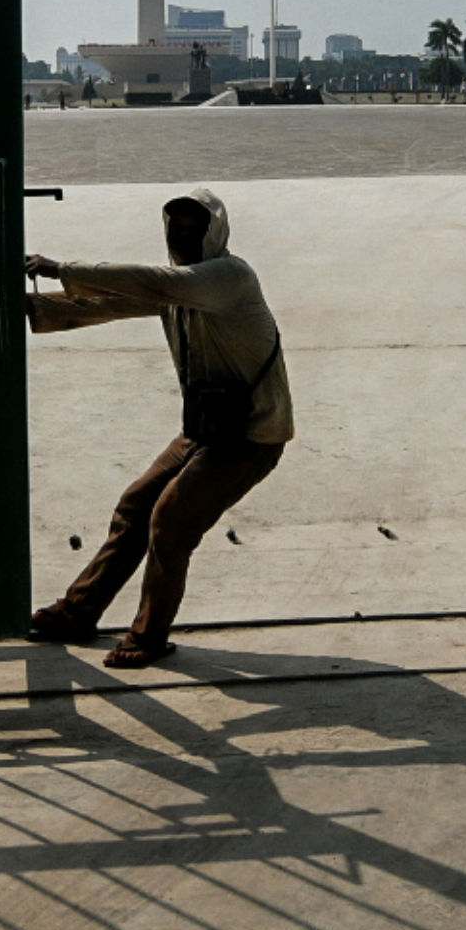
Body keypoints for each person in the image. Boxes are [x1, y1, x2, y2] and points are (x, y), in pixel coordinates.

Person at [20, 187, 293, 668]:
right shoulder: (176, 288)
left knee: (169, 521)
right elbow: (111, 303)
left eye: (196, 226)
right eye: (176, 225)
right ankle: (79, 611)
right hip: (207, 427)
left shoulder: (229, 276)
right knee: (135, 505)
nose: (184, 234)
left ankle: (148, 636)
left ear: (216, 232)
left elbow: (156, 283)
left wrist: (62, 268)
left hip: (251, 435)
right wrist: (31, 307)